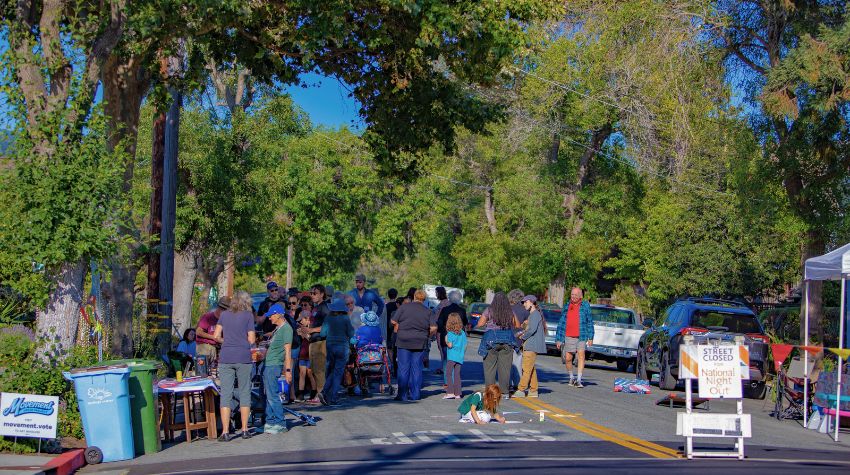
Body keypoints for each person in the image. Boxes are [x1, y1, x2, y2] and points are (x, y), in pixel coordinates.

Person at [214, 290, 256, 441]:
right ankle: (244, 429)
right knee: (245, 392)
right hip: (243, 356)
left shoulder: (224, 315)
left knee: (226, 393)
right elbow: (251, 338)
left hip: (226, 357)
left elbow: (216, 336)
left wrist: (226, 342)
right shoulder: (248, 316)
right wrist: (243, 342)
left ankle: (225, 432)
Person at [391, 289, 437, 401]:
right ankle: (415, 394)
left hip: (403, 340)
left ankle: (402, 395)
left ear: (414, 297)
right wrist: (427, 335)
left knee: (403, 368)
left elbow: (393, 321)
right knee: (416, 368)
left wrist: (398, 327)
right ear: (424, 299)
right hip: (420, 341)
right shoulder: (428, 311)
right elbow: (434, 328)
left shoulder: (404, 307)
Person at [476, 292, 518, 396]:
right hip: (507, 340)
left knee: (490, 368)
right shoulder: (510, 311)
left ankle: (491, 392)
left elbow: (480, 324)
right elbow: (517, 324)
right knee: (505, 368)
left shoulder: (489, 310)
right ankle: (504, 392)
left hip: (491, 340)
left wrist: (487, 323)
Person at [260, 304, 293, 434]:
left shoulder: (286, 329)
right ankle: (270, 422)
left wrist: (288, 371)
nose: (270, 318)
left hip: (274, 365)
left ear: (278, 314)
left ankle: (280, 423)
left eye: (271, 315)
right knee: (268, 394)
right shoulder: (278, 329)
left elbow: (288, 351)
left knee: (273, 395)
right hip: (269, 364)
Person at [318, 298, 354, 406]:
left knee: (333, 370)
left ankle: (324, 392)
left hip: (330, 347)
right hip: (342, 348)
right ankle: (333, 397)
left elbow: (322, 334)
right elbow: (351, 334)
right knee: (338, 372)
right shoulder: (345, 318)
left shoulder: (328, 318)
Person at [555, 287, 594, 388]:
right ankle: (571, 377)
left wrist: (590, 337)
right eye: (572, 294)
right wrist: (559, 339)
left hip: (581, 335)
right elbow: (561, 322)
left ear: (580, 296)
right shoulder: (567, 305)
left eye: (576, 295)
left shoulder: (585, 306)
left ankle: (579, 380)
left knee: (581, 355)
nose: (573, 296)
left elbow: (589, 322)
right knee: (568, 358)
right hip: (568, 335)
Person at [513, 295, 546, 398]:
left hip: (531, 345)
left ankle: (521, 389)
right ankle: (533, 390)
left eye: (525, 302)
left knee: (526, 368)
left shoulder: (535, 314)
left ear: (531, 302)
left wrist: (523, 336)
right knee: (531, 368)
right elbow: (530, 328)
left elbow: (531, 330)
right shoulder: (533, 315)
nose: (524, 305)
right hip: (530, 345)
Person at [301, 284, 330, 404]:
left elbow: (328, 325)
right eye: (311, 293)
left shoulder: (324, 307)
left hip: (320, 342)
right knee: (314, 370)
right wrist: (305, 331)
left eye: (315, 293)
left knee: (319, 370)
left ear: (322, 294)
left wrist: (311, 330)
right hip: (313, 341)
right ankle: (320, 394)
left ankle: (322, 394)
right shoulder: (316, 308)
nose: (312, 295)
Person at [437, 291, 468, 381]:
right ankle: (455, 380)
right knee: (457, 360)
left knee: (446, 360)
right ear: (459, 299)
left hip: (447, 337)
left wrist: (442, 331)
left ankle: (448, 382)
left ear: (449, 298)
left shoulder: (445, 309)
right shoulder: (462, 310)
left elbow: (439, 322)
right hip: (459, 338)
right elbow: (465, 323)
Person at [195, 296, 230, 360]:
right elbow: (198, 332)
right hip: (205, 347)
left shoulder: (226, 320)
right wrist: (214, 337)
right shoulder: (208, 317)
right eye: (222, 308)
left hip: (218, 349)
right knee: (203, 369)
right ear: (218, 307)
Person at [295, 297, 316, 402]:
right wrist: (301, 331)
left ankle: (314, 392)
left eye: (301, 320)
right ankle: (300, 394)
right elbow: (301, 335)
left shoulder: (311, 328)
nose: (300, 322)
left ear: (307, 319)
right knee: (302, 373)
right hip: (302, 353)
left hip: (310, 354)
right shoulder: (300, 328)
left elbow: (309, 337)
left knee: (310, 373)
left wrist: (305, 331)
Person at [444, 313, 467, 399]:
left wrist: (446, 340)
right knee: (457, 375)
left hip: (451, 357)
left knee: (449, 373)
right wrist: (461, 353)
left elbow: (450, 345)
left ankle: (450, 392)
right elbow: (465, 345)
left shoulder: (450, 334)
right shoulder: (463, 333)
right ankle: (458, 393)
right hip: (459, 356)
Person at [507, 289, 528, 390]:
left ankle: (508, 382)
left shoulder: (507, 309)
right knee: (518, 361)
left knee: (507, 363)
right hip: (519, 339)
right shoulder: (525, 310)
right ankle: (518, 383)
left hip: (507, 337)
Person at [432, 286, 450, 376]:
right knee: (443, 349)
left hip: (441, 329)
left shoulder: (443, 304)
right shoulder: (446, 303)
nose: (435, 294)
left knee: (442, 348)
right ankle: (444, 366)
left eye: (436, 293)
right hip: (443, 328)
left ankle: (444, 367)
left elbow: (437, 318)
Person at [385, 288, 399, 375]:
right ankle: (396, 363)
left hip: (388, 328)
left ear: (388, 295)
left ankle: (393, 364)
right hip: (397, 328)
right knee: (396, 347)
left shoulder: (386, 306)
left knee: (389, 348)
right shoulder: (398, 305)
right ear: (396, 295)